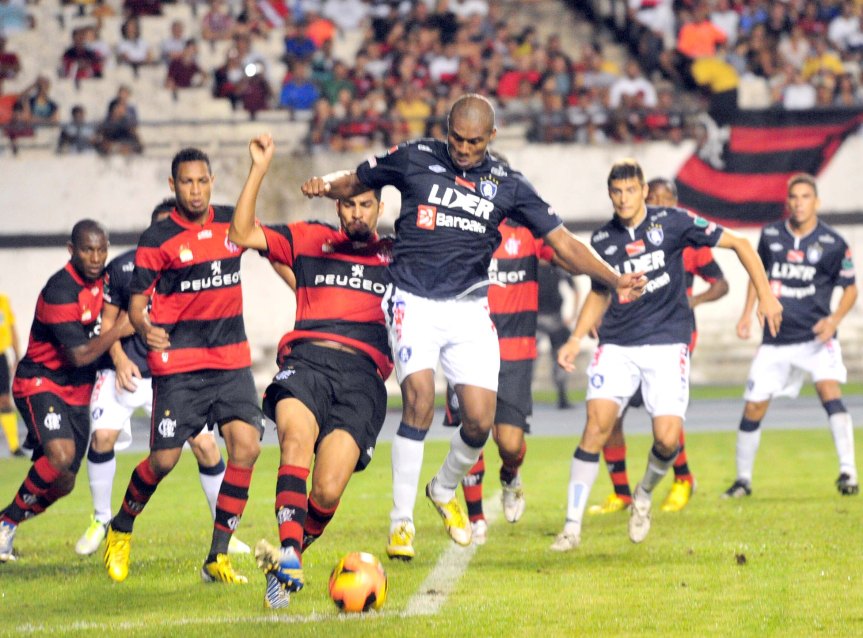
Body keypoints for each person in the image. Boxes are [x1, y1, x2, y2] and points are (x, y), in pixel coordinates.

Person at [300, 93, 645, 556]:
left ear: (492, 137)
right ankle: (401, 524)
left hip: (468, 308)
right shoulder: (414, 156)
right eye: (457, 138)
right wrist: (326, 184)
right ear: (447, 130)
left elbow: (563, 242)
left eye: (474, 142)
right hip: (413, 299)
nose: (463, 149)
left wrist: (614, 278)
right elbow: (358, 178)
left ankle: (443, 488)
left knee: (480, 423)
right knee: (419, 400)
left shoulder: (508, 184)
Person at [550, 158, 782, 552]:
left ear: (643, 191)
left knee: (667, 440)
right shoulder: (603, 239)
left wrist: (766, 295)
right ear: (610, 194)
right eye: (616, 192)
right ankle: (571, 527)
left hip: (667, 343)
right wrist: (574, 339)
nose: (624, 198)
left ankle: (642, 495)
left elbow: (741, 244)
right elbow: (600, 292)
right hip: (617, 345)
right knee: (596, 427)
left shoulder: (673, 222)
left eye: (631, 190)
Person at [228, 133, 394, 609]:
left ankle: (287, 557)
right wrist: (259, 168)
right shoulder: (308, 238)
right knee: (295, 443)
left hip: (363, 379)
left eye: (365, 204)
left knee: (326, 489)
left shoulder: (399, 256)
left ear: (379, 208)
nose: (357, 213)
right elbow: (241, 234)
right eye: (349, 204)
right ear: (338, 206)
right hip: (307, 362)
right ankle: (288, 557)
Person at [102, 148, 265, 584]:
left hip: (230, 360)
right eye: (187, 182)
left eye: (202, 181)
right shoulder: (157, 238)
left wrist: (258, 168)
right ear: (173, 186)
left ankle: (217, 556)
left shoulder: (231, 222)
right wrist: (144, 327)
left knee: (246, 448)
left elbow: (273, 246)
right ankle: (120, 528)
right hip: (180, 365)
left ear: (212, 182)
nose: (196, 190)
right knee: (163, 460)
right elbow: (136, 305)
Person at [74, 199, 250, 557]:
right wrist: (119, 359)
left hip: (175, 374)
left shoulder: (198, 265)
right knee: (103, 437)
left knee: (205, 446)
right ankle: (102, 520)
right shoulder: (124, 268)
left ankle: (225, 533)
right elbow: (108, 323)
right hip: (125, 370)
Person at [589, 177, 729, 515]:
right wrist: (597, 316)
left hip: (672, 334)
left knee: (665, 415)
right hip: (627, 335)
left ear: (675, 202)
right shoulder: (622, 238)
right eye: (655, 198)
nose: (661, 204)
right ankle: (621, 493)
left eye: (667, 199)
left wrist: (693, 301)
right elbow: (604, 287)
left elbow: (721, 283)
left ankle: (683, 479)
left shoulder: (687, 239)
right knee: (611, 414)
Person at [0, 221, 132, 563]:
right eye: (88, 250)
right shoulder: (59, 290)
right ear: (72, 250)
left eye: (102, 250)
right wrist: (119, 328)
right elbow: (80, 355)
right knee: (59, 456)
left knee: (64, 483)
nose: (96, 257)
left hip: (78, 391)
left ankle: (6, 520)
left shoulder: (107, 282)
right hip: (41, 382)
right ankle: (6, 525)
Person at [723, 173, 858, 498]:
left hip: (816, 338)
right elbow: (758, 276)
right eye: (794, 197)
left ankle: (848, 473)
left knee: (830, 391)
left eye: (805, 197)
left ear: (817, 202)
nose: (799, 203)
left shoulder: (833, 242)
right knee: (753, 408)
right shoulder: (771, 235)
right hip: (776, 337)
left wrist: (833, 320)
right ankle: (743, 480)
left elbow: (851, 289)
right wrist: (746, 314)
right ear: (788, 202)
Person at [441, 218, 557, 548]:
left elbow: (564, 251)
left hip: (515, 352)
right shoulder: (461, 227)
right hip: (468, 347)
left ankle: (510, 474)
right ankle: (476, 518)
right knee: (471, 432)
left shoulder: (528, 231)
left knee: (510, 444)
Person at [536, 263, 578, 409]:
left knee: (560, 357)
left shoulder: (557, 267)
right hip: (536, 318)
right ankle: (523, 398)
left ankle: (562, 396)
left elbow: (575, 288)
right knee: (529, 359)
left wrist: (573, 315)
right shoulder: (531, 265)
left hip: (555, 318)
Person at [0, 292, 23, 457]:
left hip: (1, 356)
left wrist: (16, 353)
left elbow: (12, 328)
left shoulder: (3, 302)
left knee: (4, 400)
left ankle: (14, 447)